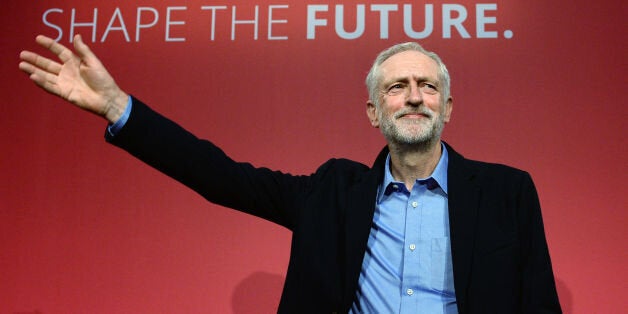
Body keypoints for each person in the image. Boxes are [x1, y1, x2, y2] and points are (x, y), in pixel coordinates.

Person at [19, 35, 562, 313]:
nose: (414, 96)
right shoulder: (332, 191)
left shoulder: (506, 191)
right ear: (375, 113)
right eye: (396, 88)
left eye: (428, 86)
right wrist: (120, 109)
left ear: (446, 107)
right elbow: (219, 176)